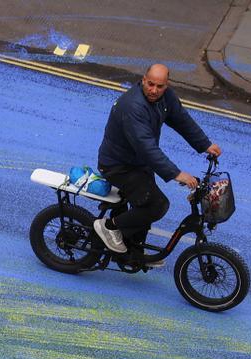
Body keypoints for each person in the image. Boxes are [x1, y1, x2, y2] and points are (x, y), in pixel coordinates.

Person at [93, 64, 222, 260]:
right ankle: (109, 226)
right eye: (150, 84)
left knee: (145, 202)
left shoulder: (165, 97)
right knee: (156, 205)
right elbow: (146, 148)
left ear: (166, 85)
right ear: (143, 79)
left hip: (138, 163)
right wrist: (177, 174)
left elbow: (181, 119)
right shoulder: (133, 106)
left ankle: (134, 251)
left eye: (159, 86)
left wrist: (204, 144)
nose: (154, 90)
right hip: (118, 166)